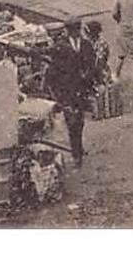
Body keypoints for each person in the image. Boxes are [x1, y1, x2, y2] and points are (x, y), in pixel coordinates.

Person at [45, 20, 99, 165]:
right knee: (71, 121)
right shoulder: (60, 47)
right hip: (66, 89)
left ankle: (78, 147)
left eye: (77, 29)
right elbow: (53, 70)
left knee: (79, 121)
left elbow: (92, 64)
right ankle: (76, 154)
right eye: (72, 29)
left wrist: (87, 76)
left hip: (81, 89)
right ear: (67, 30)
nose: (75, 32)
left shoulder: (86, 45)